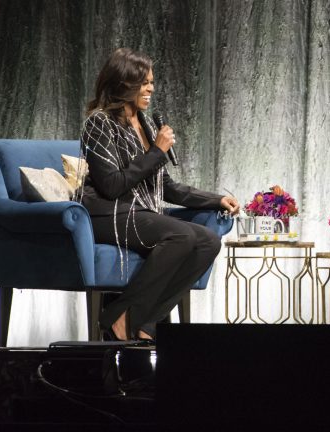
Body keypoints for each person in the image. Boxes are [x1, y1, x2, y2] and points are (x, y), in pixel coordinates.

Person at [79, 48, 240, 342]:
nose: (151, 88)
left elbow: (165, 187)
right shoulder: (100, 123)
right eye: (144, 83)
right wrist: (156, 152)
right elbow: (112, 185)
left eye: (151, 82)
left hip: (140, 213)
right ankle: (119, 314)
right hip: (108, 213)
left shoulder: (147, 124)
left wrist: (214, 199)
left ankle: (146, 324)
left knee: (208, 241)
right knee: (182, 236)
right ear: (123, 83)